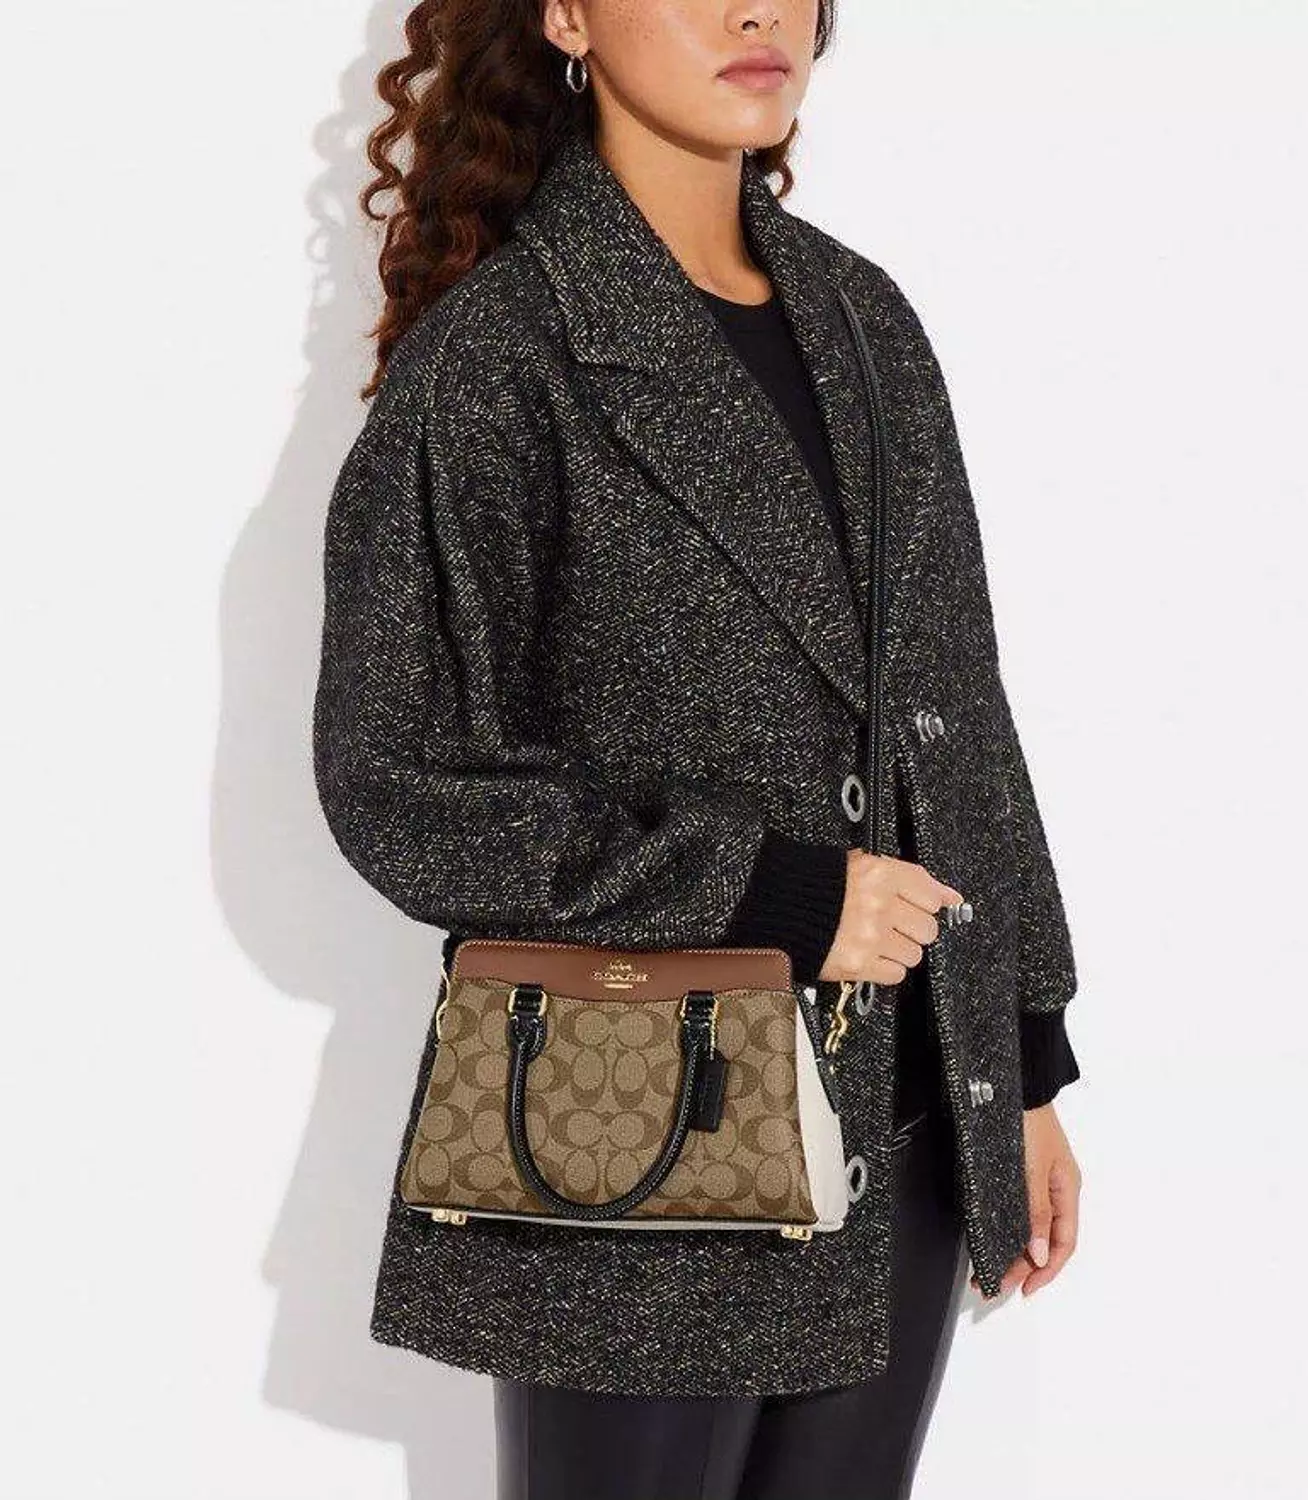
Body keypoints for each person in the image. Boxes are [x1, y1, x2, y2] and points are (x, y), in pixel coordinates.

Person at [311, 2, 1084, 1495]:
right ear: (567, 15)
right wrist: (766, 892)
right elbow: (395, 785)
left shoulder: (866, 323)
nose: (755, 10)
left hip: (906, 1108)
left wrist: (1029, 1058)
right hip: (634, 1127)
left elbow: (958, 713)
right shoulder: (503, 357)